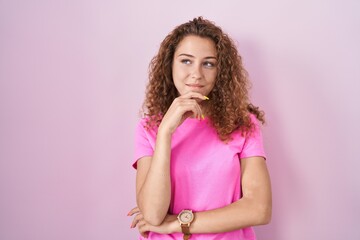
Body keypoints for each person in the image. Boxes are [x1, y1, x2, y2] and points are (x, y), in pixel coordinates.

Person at [128, 16, 272, 240]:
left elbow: (259, 209)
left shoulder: (243, 123)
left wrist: (178, 223)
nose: (196, 73)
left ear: (220, 71)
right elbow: (153, 215)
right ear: (170, 64)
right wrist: (166, 132)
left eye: (208, 63)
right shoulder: (150, 128)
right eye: (186, 61)